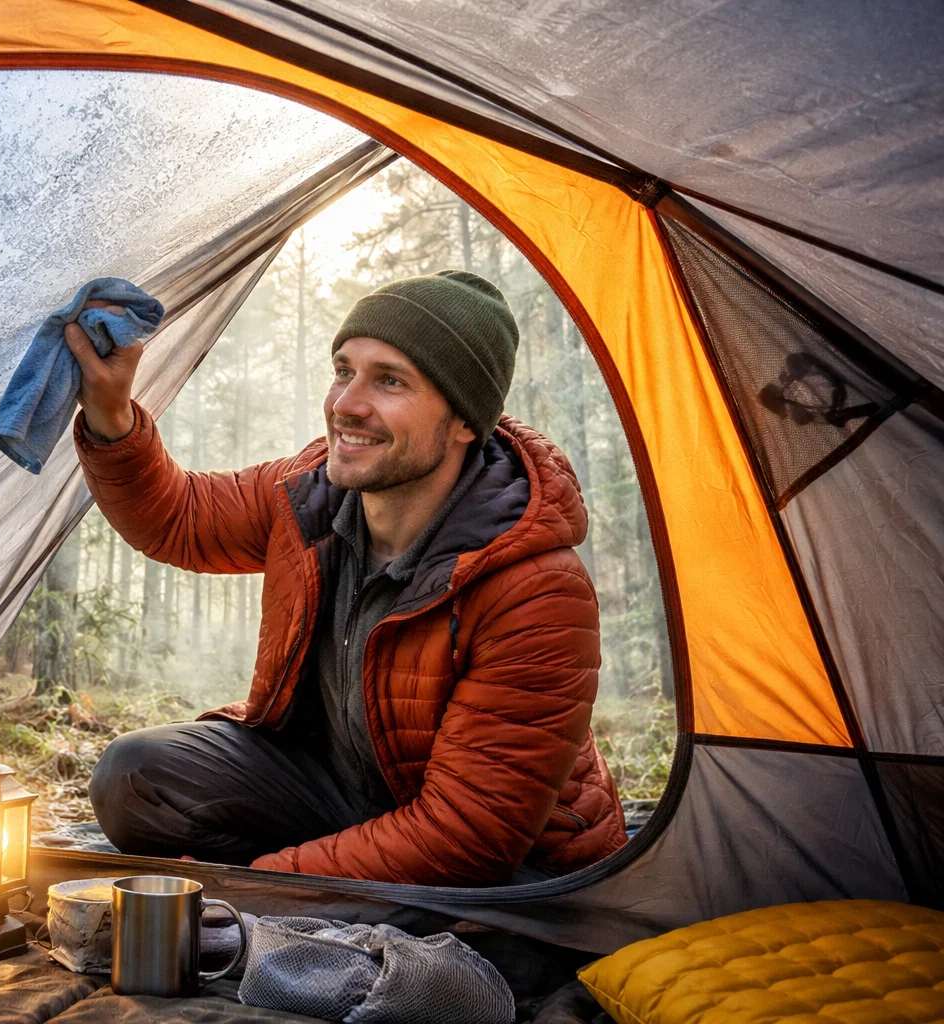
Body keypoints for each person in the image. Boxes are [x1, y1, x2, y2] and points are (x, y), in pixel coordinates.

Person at [67, 272, 627, 887]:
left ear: (466, 421)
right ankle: (334, 880)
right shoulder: (308, 494)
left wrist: (252, 885)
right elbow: (179, 519)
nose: (346, 404)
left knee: (473, 910)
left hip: (509, 861)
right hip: (345, 789)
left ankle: (317, 890)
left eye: (389, 381)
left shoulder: (537, 589)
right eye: (343, 370)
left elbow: (469, 832)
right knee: (135, 777)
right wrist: (111, 411)